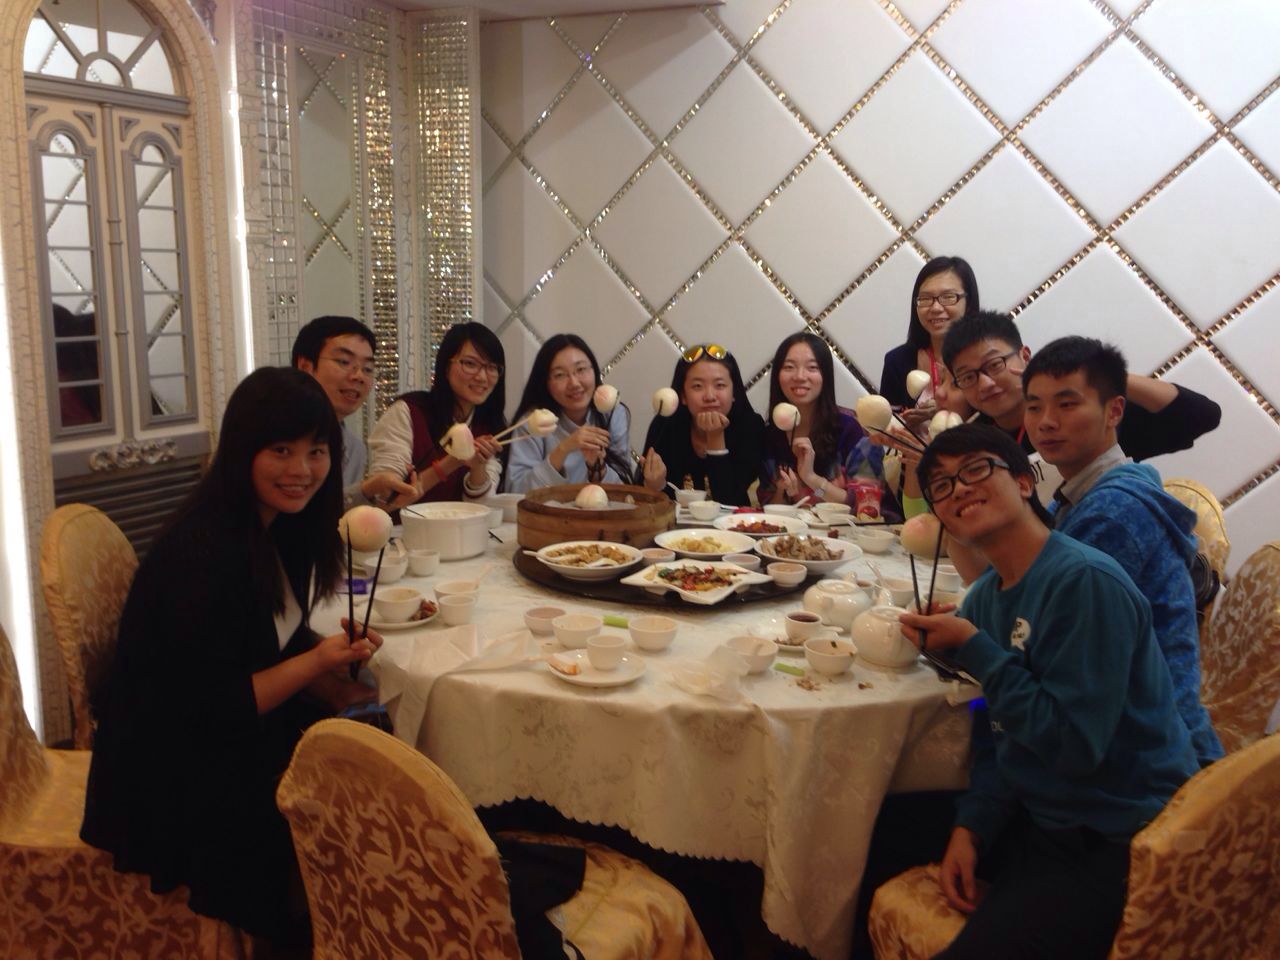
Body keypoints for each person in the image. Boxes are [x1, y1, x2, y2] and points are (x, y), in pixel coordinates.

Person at [81, 368, 381, 952]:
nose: (302, 470)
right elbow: (218, 706)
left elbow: (269, 643)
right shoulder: (202, 555)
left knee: (369, 743)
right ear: (244, 449)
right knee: (346, 793)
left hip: (222, 732)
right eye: (281, 450)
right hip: (171, 774)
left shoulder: (277, 528)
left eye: (316, 451)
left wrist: (330, 677)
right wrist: (317, 663)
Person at [897, 424, 1198, 960]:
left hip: (1118, 836)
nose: (959, 488)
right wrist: (973, 825)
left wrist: (976, 649)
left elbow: (1075, 748)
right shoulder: (984, 598)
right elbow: (998, 732)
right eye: (942, 486)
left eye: (976, 470)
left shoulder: (1084, 582)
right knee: (877, 838)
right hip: (1040, 814)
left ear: (1023, 482)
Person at [1022, 336, 1223, 766]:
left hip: (1148, 756)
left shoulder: (1114, 512)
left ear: (1114, 411)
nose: (1046, 422)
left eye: (1067, 404)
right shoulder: (1083, 492)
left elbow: (1049, 639)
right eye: (1034, 407)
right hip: (1124, 726)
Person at [365, 322, 507, 510]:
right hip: (401, 526)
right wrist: (453, 461)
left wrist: (478, 465)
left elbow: (480, 507)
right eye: (470, 364)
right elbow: (385, 497)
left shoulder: (489, 425)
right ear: (446, 367)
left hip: (460, 527)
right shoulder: (409, 412)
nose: (482, 377)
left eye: (492, 367)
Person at [758, 332, 899, 518]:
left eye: (812, 367)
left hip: (866, 532)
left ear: (825, 375)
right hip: (798, 532)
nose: (800, 376)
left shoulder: (853, 429)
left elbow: (867, 506)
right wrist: (782, 492)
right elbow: (770, 511)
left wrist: (811, 478)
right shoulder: (770, 434)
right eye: (789, 367)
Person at [291, 315, 416, 510]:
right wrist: (366, 490)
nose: (359, 376)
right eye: (344, 361)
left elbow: (333, 517)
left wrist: (378, 497)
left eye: (368, 369)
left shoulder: (353, 448)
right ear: (306, 367)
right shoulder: (275, 433)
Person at [635, 343, 765, 506]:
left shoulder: (751, 427)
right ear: (683, 396)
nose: (709, 396)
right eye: (697, 386)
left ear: (734, 393)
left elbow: (732, 503)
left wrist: (715, 439)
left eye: (720, 385)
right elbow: (641, 499)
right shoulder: (665, 425)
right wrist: (656, 485)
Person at [503, 334, 632, 492]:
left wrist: (597, 468)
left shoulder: (612, 414)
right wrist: (564, 448)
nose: (574, 383)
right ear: (545, 383)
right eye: (560, 375)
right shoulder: (534, 422)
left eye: (581, 369)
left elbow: (622, 489)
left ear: (594, 370)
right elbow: (515, 491)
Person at [879, 256, 979, 413]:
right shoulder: (897, 361)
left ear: (969, 303)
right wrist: (906, 423)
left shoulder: (985, 358)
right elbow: (888, 422)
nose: (936, 308)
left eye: (948, 297)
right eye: (925, 299)